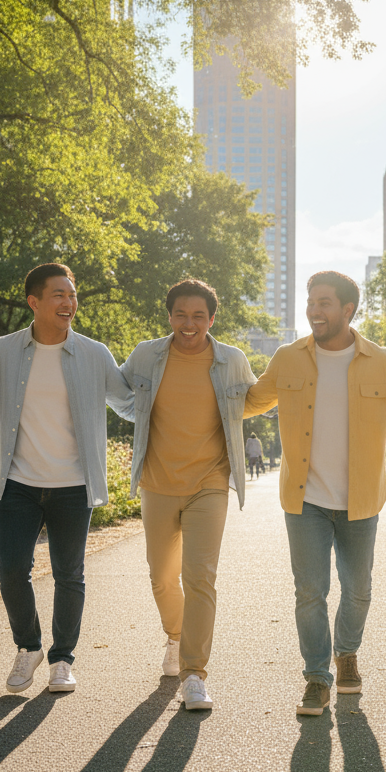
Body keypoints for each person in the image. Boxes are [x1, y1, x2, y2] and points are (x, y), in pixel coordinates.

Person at [245, 271, 386, 717]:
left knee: (358, 590)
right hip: (306, 500)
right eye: (310, 301)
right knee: (310, 591)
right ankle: (317, 677)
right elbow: (247, 402)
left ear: (347, 310)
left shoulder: (380, 360)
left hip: (361, 500)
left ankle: (347, 652)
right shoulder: (288, 358)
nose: (313, 310)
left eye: (323, 302)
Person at [0, 263, 128, 697]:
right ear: (34, 302)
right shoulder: (3, 351)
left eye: (72, 295)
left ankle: (63, 659)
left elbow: (129, 404)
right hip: (18, 482)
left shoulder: (94, 353)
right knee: (11, 571)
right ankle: (28, 648)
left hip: (73, 484)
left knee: (69, 573)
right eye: (59, 295)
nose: (69, 303)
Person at [114, 279, 256, 710]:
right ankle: (176, 636)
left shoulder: (231, 360)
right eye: (181, 314)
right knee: (161, 575)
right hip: (157, 483)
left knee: (200, 576)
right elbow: (121, 396)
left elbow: (249, 401)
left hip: (209, 483)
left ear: (212, 319)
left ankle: (195, 673)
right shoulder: (146, 355)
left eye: (199, 316)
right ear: (170, 315)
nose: (189, 323)